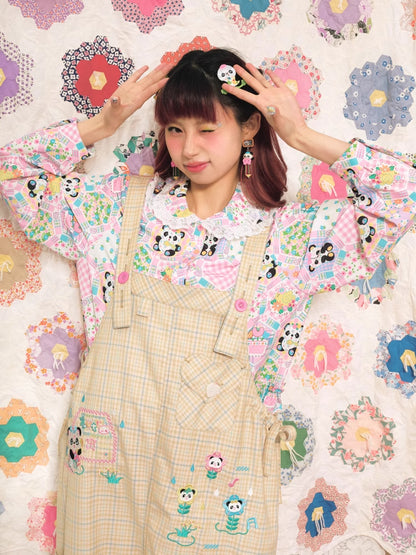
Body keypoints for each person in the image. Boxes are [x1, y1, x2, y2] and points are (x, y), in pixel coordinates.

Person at [1, 48, 416, 554]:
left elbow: (404, 194)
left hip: (215, 494)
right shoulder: (116, 209)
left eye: (207, 128)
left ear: (249, 127)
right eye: (174, 129)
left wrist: (300, 134)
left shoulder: (291, 238)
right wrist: (104, 122)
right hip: (108, 477)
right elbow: (13, 172)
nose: (188, 147)